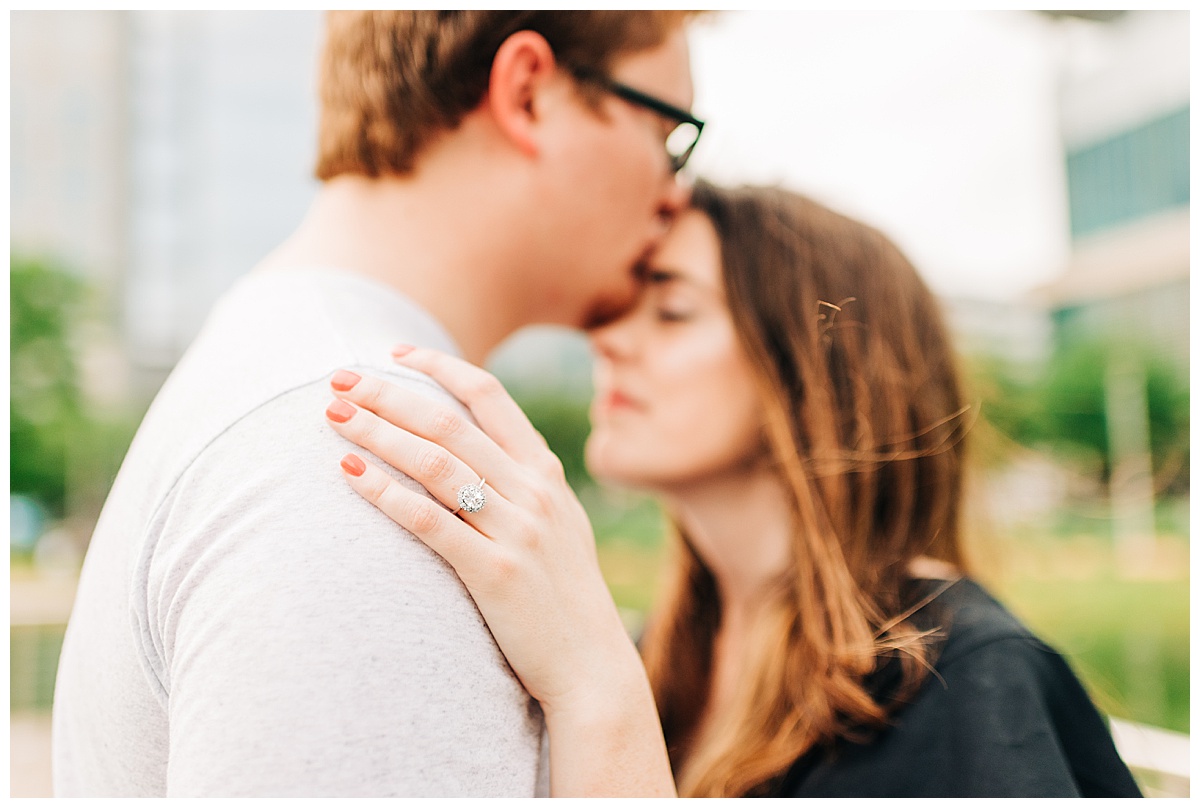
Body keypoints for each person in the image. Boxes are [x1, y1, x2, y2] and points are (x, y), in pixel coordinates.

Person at [52, 11, 703, 797]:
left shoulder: (305, 376)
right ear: (529, 93)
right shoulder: (362, 456)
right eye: (670, 134)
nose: (676, 195)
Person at [324, 181, 1143, 797]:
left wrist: (592, 686)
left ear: (812, 374)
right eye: (621, 308)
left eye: (671, 312)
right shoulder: (658, 660)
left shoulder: (966, 677)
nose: (608, 338)